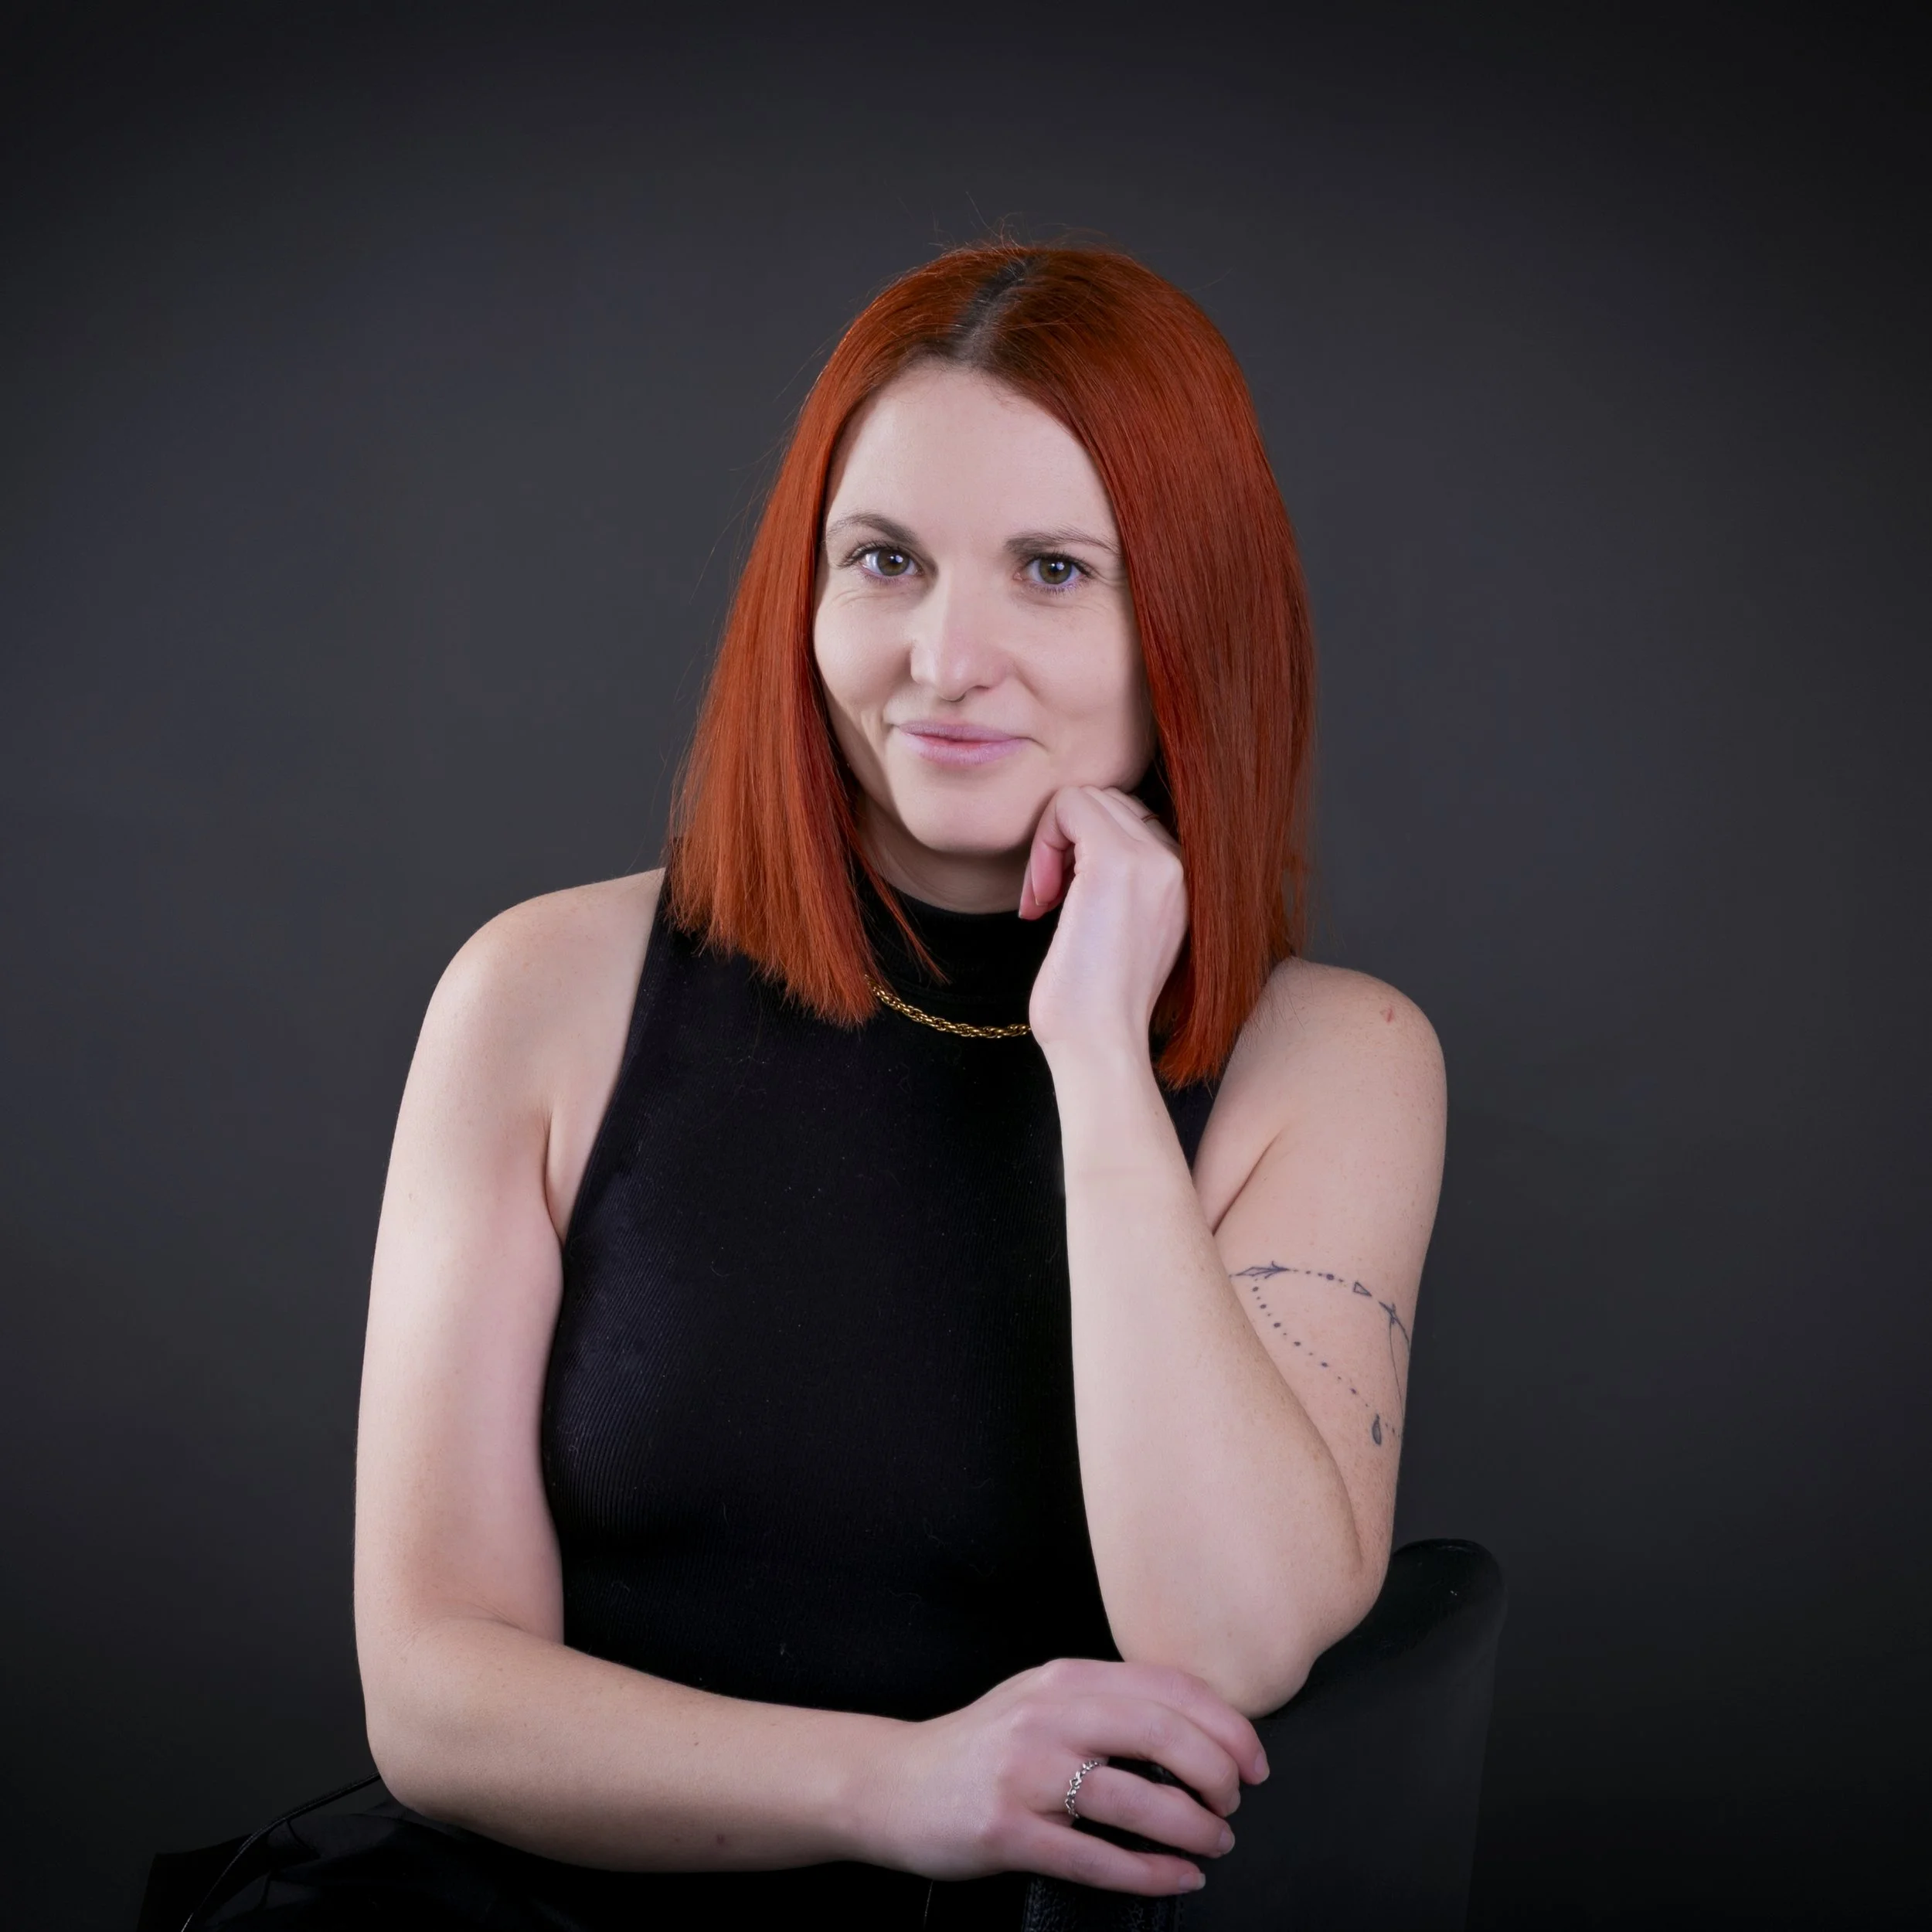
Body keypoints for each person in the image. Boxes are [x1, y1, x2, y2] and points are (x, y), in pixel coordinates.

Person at [190, 242, 1446, 1930]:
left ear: (1190, 615)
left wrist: (1094, 1058)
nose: (945, 655)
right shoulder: (542, 993)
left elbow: (1223, 1631)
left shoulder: (1336, 1061)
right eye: (885, 559)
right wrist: (902, 1781)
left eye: (1054, 570)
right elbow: (434, 1694)